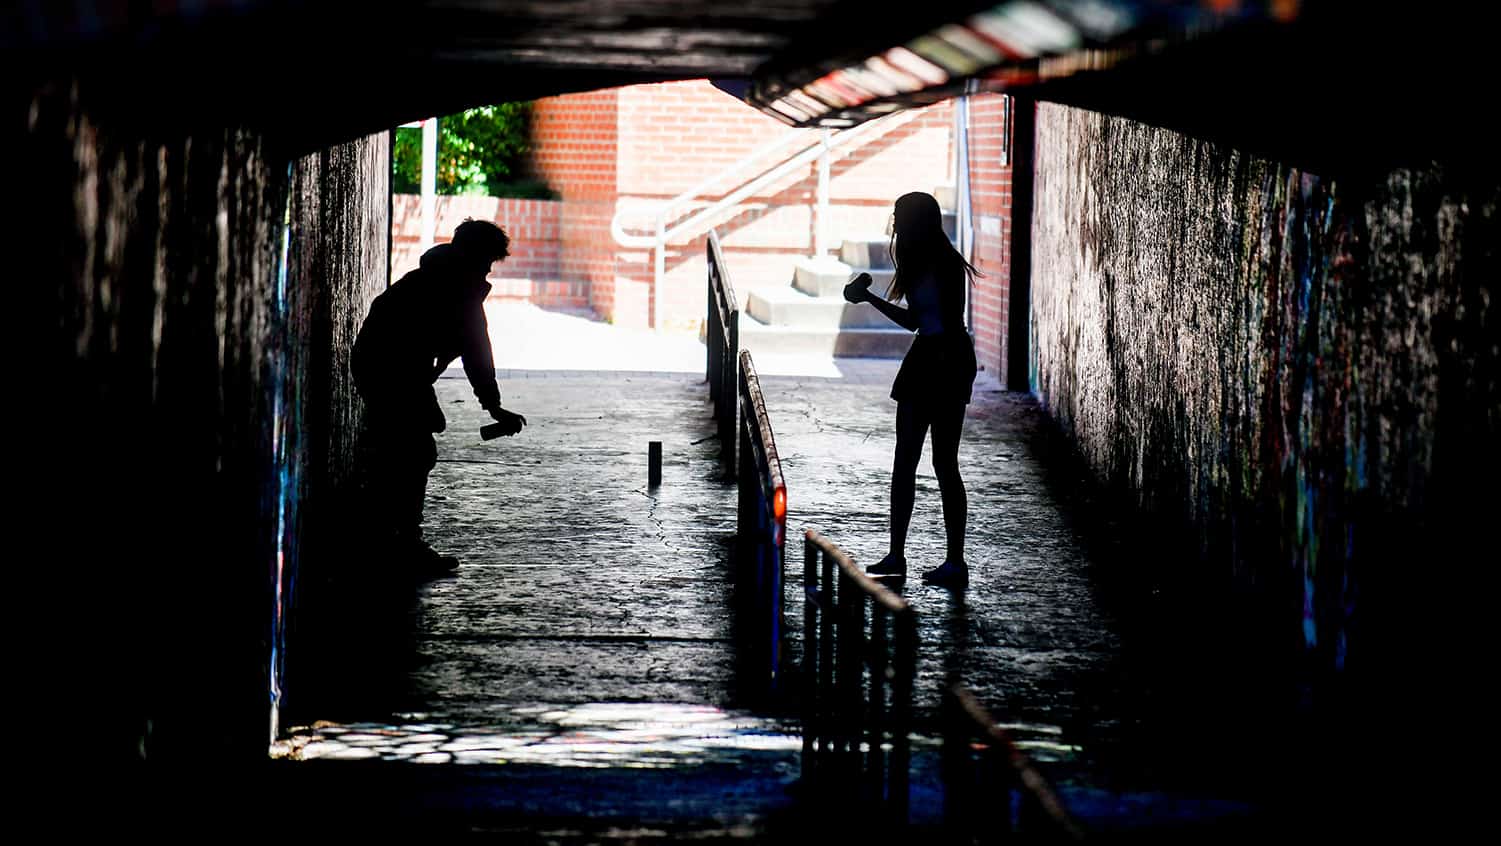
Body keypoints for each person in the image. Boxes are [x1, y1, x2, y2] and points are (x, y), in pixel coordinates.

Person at [352, 219, 526, 577]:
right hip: (392, 369)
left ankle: (384, 537)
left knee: (401, 449)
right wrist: (493, 407)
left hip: (384, 366)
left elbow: (473, 350)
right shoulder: (456, 289)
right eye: (487, 261)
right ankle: (401, 545)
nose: (487, 269)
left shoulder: (436, 276)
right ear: (472, 255)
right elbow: (477, 353)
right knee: (414, 453)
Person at [843, 192, 980, 589]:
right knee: (919, 462)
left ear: (916, 222)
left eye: (900, 217)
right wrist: (869, 297)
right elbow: (919, 323)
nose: (895, 223)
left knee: (936, 463)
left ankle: (950, 559)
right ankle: (901, 555)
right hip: (940, 358)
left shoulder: (940, 264)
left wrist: (867, 297)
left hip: (939, 361)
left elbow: (926, 323)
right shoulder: (933, 262)